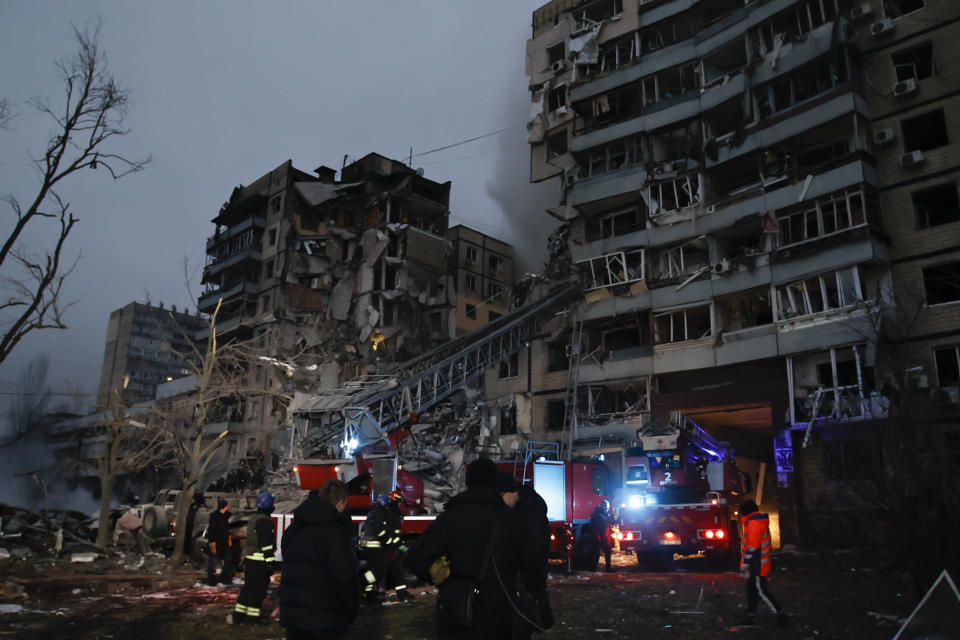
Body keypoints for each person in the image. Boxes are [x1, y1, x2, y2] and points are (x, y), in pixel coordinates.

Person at [406, 457, 518, 639]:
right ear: (495, 482)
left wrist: (439, 576)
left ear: (468, 482)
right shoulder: (510, 519)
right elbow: (525, 562)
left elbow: (415, 558)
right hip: (499, 610)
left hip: (457, 608)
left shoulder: (451, 517)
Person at [279, 480, 360, 639]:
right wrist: (349, 613)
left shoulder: (294, 529)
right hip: (324, 621)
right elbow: (345, 578)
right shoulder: (336, 534)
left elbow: (288, 564)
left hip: (293, 618)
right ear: (341, 503)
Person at [497, 471, 552, 639]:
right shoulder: (523, 510)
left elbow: (534, 554)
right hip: (518, 586)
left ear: (513, 493)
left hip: (523, 586)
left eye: (501, 495)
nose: (499, 501)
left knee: (520, 627)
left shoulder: (530, 512)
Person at [738, 499, 789, 628]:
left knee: (761, 591)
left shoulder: (754, 523)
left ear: (744, 512)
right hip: (758, 564)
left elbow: (753, 547)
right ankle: (750, 616)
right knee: (752, 591)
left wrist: (745, 564)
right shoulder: (756, 522)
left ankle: (780, 616)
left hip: (757, 566)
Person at [232, 491, 277, 624]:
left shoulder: (253, 519)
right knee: (257, 591)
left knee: (248, 589)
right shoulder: (265, 522)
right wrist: (270, 564)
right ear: (269, 506)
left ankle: (238, 616)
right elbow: (266, 546)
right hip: (260, 563)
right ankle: (252, 619)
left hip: (250, 560)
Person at [362, 490, 411, 603]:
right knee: (379, 571)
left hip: (379, 547)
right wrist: (393, 545)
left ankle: (371, 593)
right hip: (380, 548)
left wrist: (397, 545)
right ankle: (364, 586)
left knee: (388, 570)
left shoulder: (377, 513)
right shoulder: (385, 514)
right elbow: (387, 533)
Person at [207, 498, 234, 586]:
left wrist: (229, 539)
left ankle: (225, 578)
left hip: (225, 542)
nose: (227, 508)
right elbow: (211, 531)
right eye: (226, 506)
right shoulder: (214, 516)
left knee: (228, 560)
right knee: (212, 561)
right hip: (215, 542)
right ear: (224, 507)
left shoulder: (227, 515)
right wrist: (212, 543)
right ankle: (211, 580)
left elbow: (229, 528)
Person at [590, 500, 614, 572]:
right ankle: (604, 568)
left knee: (599, 552)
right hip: (601, 536)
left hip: (603, 536)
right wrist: (598, 536)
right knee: (598, 552)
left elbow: (608, 523)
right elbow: (596, 526)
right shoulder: (599, 514)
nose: (607, 508)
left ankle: (594, 567)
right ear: (603, 506)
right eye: (606, 507)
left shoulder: (600, 514)